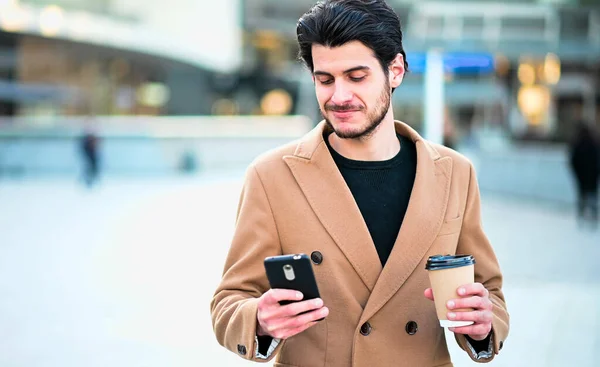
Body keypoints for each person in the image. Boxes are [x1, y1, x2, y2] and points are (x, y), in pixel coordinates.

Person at [210, 1, 509, 365]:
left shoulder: (455, 173)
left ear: (395, 70)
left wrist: (481, 324)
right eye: (325, 80)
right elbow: (230, 301)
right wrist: (258, 319)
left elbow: (489, 291)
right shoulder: (272, 175)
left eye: (356, 77)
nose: (339, 97)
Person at [569, 121, 600, 228]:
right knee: (591, 197)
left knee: (583, 197)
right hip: (592, 177)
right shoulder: (594, 143)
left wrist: (577, 174)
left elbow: (573, 161)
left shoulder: (578, 144)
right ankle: (591, 217)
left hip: (583, 177)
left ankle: (583, 217)